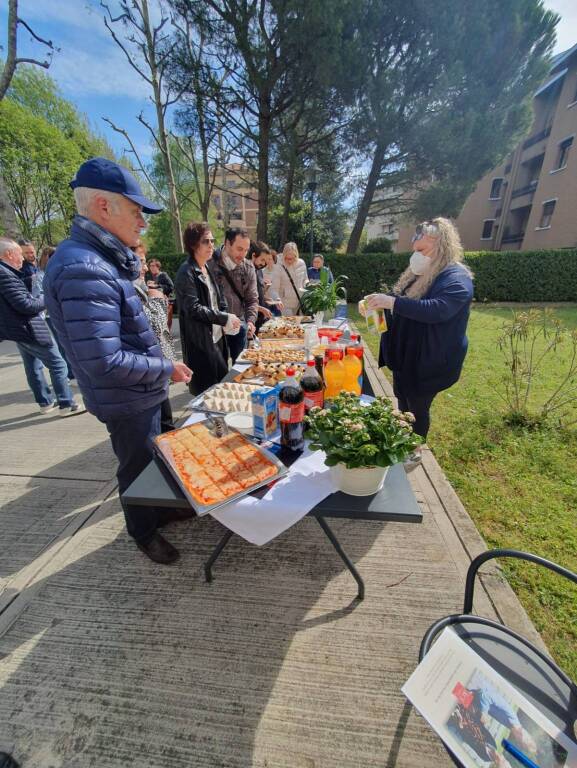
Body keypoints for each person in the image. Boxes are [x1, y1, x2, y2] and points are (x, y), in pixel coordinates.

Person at [44, 157, 192, 565]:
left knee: (160, 454)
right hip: (126, 395)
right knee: (136, 465)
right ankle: (143, 530)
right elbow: (103, 360)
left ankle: (160, 509)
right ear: (103, 207)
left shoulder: (103, 257)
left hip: (144, 387)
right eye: (136, 210)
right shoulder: (82, 267)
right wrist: (166, 367)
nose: (142, 222)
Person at [362, 218, 473, 465]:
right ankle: (401, 437)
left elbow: (438, 309)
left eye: (421, 251)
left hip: (430, 360)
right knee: (402, 396)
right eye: (415, 251)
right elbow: (402, 299)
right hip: (407, 355)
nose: (416, 256)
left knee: (417, 406)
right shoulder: (421, 272)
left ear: (441, 245)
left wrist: (392, 303)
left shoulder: (456, 277)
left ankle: (414, 450)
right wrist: (378, 302)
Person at [0, 237, 84, 415]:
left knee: (33, 365)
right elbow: (25, 305)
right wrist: (49, 297)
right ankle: (67, 403)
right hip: (28, 328)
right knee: (58, 364)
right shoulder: (5, 274)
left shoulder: (7, 273)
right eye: (19, 254)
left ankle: (45, 402)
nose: (22, 258)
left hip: (19, 330)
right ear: (8, 254)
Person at [175, 222, 241, 395]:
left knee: (222, 387)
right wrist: (224, 318)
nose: (211, 244)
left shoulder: (208, 267)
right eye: (205, 241)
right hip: (201, 342)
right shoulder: (186, 272)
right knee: (208, 394)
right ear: (192, 244)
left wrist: (227, 315)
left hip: (218, 337)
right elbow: (193, 308)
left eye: (212, 240)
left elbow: (219, 298)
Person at [135, 248, 176, 433]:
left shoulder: (142, 288)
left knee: (167, 424)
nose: (144, 268)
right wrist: (158, 301)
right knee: (158, 430)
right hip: (145, 375)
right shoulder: (127, 290)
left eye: (145, 262)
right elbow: (157, 329)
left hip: (157, 371)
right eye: (141, 262)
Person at [211, 227, 258, 362]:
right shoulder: (209, 264)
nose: (243, 254)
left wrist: (250, 321)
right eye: (239, 249)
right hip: (215, 327)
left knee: (241, 369)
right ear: (227, 243)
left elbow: (252, 299)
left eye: (246, 250)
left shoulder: (248, 267)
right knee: (219, 373)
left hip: (239, 326)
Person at [33, 245, 75, 381]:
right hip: (53, 314)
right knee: (62, 343)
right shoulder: (40, 276)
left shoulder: (59, 272)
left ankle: (72, 369)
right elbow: (39, 296)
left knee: (70, 342)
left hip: (67, 311)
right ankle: (69, 371)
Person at [272, 241, 309, 316]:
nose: (290, 261)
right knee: (289, 325)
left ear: (296, 255)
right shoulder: (278, 265)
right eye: (287, 258)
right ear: (284, 255)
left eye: (292, 258)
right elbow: (274, 288)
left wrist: (309, 285)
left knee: (300, 326)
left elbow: (305, 279)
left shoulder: (302, 263)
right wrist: (277, 300)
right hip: (285, 305)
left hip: (300, 303)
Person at [247, 240, 274, 331]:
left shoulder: (258, 270)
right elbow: (244, 301)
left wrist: (267, 299)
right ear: (253, 256)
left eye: (265, 261)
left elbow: (257, 293)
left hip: (259, 321)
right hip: (249, 322)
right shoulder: (244, 272)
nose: (263, 264)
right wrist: (261, 309)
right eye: (262, 260)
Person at [146, 254, 175, 330]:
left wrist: (157, 286)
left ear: (158, 266)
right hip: (158, 301)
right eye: (150, 266)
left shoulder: (163, 275)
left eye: (153, 266)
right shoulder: (153, 276)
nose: (151, 268)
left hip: (168, 301)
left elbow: (171, 286)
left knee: (166, 321)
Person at [261, 248, 283, 316]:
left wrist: (279, 299)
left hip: (277, 302)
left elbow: (281, 287)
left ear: (274, 260)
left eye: (270, 259)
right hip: (266, 303)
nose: (268, 261)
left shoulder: (279, 271)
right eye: (267, 259)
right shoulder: (261, 271)